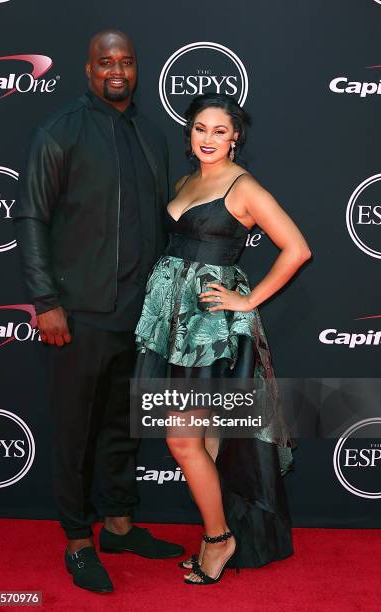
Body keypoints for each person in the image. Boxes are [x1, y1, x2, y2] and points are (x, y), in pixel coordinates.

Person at [13, 29, 184, 594]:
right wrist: (46, 302)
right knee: (74, 430)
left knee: (122, 427)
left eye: (127, 61)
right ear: (88, 70)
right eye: (106, 61)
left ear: (137, 69)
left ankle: (118, 524)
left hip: (140, 314)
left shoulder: (152, 136)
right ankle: (78, 541)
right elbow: (32, 218)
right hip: (80, 312)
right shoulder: (59, 132)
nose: (117, 70)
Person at [134, 92, 311, 585]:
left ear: (236, 137)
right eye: (200, 129)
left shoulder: (244, 186)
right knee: (204, 443)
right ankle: (219, 533)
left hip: (209, 331)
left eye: (219, 130)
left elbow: (296, 249)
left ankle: (219, 539)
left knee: (183, 440)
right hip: (172, 325)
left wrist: (247, 300)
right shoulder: (185, 180)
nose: (208, 138)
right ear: (189, 134)